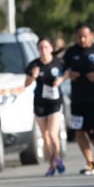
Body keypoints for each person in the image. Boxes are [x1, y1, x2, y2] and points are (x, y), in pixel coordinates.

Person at [63, 22, 94, 175]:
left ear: (91, 35)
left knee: (93, 131)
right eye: (79, 36)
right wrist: (69, 75)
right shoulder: (71, 51)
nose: (82, 39)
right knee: (78, 130)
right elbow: (63, 70)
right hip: (77, 99)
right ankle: (90, 163)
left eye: (85, 36)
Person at [25, 37, 67, 176]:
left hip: (55, 102)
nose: (43, 50)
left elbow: (68, 73)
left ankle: (58, 158)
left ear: (51, 48)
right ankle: (51, 164)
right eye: (40, 48)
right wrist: (33, 76)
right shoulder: (34, 65)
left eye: (46, 47)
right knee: (45, 136)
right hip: (40, 103)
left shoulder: (59, 62)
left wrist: (61, 79)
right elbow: (26, 83)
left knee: (52, 133)